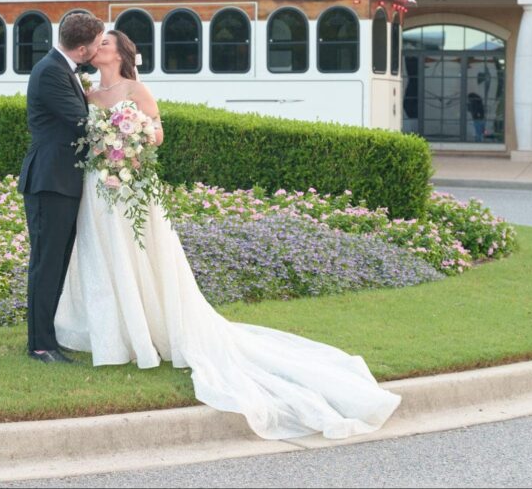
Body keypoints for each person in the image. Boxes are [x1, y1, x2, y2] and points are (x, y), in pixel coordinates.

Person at [51, 30, 401, 440]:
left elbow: (158, 134)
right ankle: (114, 332)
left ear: (120, 53)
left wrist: (127, 140)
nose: (97, 50)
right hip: (97, 188)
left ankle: (151, 329)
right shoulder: (89, 94)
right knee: (101, 255)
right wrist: (103, 145)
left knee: (139, 257)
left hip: (129, 183)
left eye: (105, 44)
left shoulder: (136, 89)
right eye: (96, 45)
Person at [18, 12, 105, 364]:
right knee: (46, 264)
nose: (101, 49)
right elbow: (81, 122)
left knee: (56, 263)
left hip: (61, 181)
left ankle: (47, 338)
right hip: (50, 182)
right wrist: (129, 125)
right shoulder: (52, 71)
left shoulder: (62, 68)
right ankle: (40, 345)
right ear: (82, 48)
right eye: (99, 43)